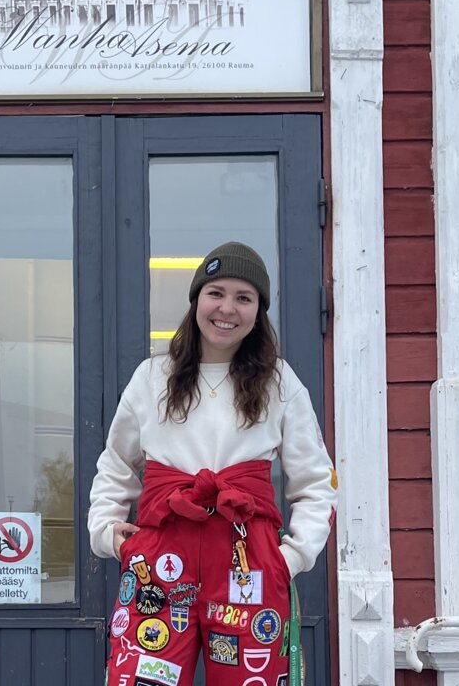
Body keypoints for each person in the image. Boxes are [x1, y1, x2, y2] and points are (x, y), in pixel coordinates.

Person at [88, 242, 337, 686]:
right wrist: (108, 532)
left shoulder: (280, 383)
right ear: (196, 299)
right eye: (216, 293)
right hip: (161, 556)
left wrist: (291, 556)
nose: (227, 309)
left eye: (244, 298)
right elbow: (116, 464)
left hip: (248, 561)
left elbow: (316, 480)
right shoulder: (152, 377)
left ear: (259, 311)